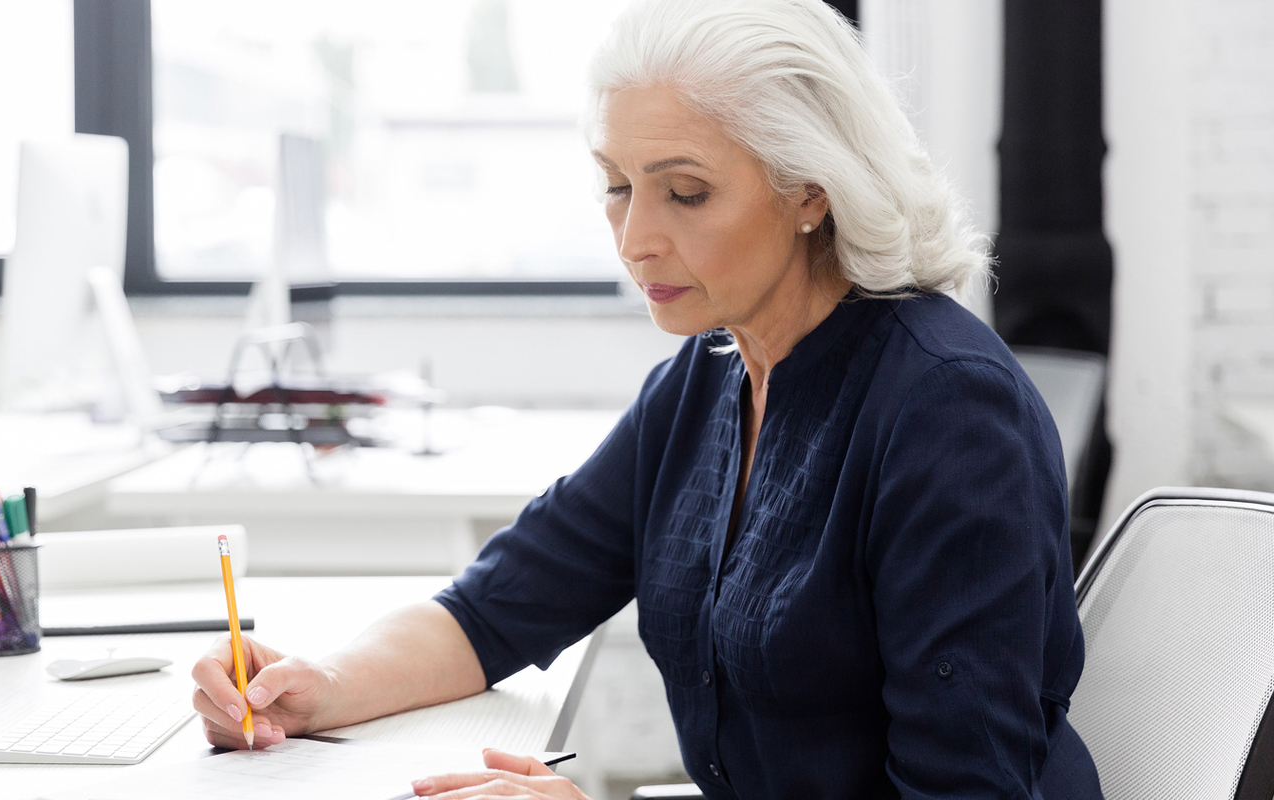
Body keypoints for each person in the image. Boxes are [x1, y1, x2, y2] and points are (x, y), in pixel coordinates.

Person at [193, 0, 1105, 796]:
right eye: (618, 187)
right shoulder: (704, 382)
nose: (634, 240)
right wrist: (315, 686)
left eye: (686, 193)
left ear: (811, 193)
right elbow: (495, 610)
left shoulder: (948, 414)